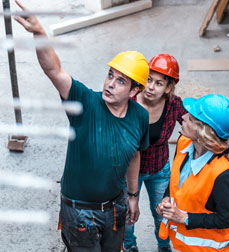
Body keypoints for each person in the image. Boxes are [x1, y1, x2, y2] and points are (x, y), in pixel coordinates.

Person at [15, 1, 150, 251]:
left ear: (135, 91)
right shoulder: (85, 102)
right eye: (110, 75)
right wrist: (39, 32)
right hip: (79, 214)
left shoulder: (140, 116)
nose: (110, 84)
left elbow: (135, 156)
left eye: (121, 81)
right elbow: (54, 70)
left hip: (115, 208)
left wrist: (133, 196)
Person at [157, 94, 229, 252]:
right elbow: (177, 179)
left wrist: (185, 218)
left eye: (190, 118)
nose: (183, 116)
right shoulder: (184, 142)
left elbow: (227, 218)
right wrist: (166, 198)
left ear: (202, 133)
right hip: (179, 244)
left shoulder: (222, 174)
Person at [123, 54, 186, 252]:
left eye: (159, 83)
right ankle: (130, 246)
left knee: (161, 213)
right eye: (149, 80)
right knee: (127, 215)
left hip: (159, 169)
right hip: (128, 172)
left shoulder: (174, 104)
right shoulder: (129, 102)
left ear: (168, 88)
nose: (151, 87)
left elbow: (192, 127)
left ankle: (163, 245)